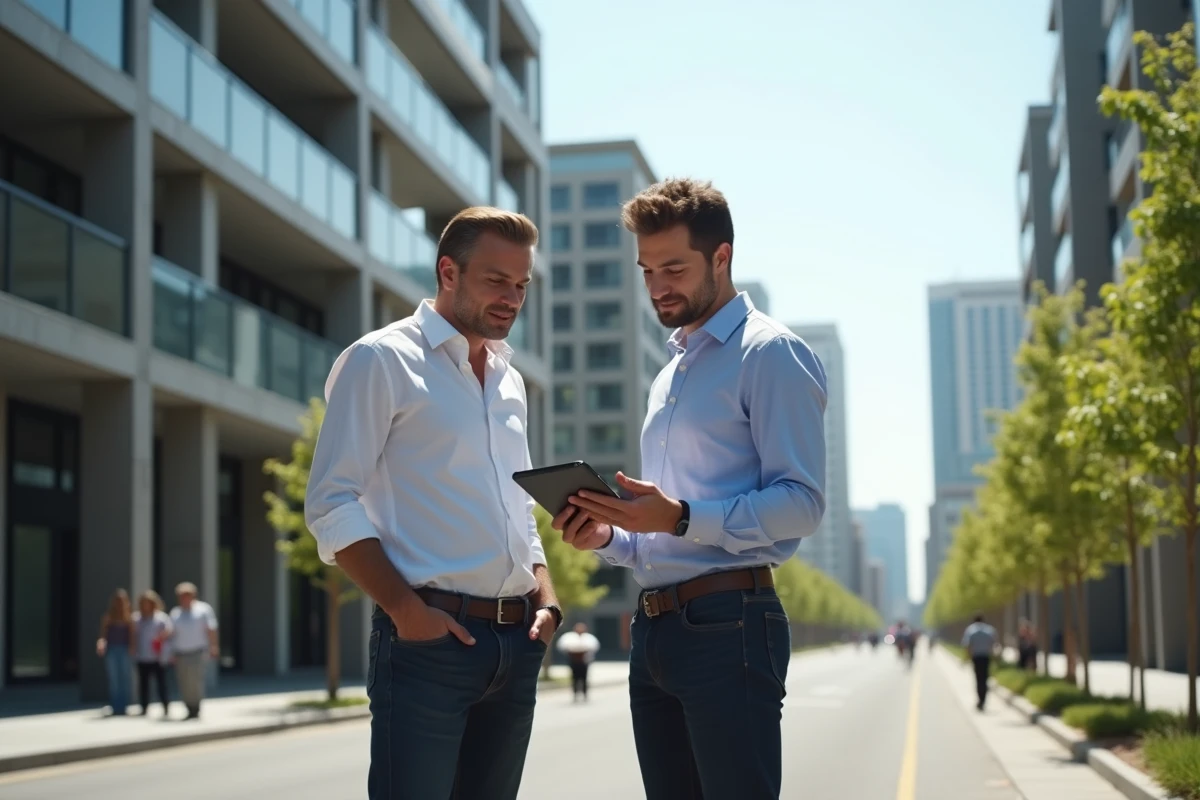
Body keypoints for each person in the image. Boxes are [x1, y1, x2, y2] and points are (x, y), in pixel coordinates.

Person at [552, 178, 827, 800]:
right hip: (653, 631)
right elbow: (660, 531)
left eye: (673, 268)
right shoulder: (671, 373)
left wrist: (677, 516)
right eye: (647, 270)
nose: (657, 286)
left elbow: (803, 504)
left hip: (729, 625)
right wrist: (609, 537)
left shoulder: (771, 354)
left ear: (721, 257)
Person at [305, 207, 562, 800]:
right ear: (449, 271)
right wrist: (405, 611)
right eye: (496, 280)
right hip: (428, 644)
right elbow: (331, 501)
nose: (512, 298)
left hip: (516, 642)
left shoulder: (508, 380)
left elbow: (517, 507)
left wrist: (546, 598)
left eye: (521, 285)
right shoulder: (380, 359)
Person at [168, 582, 219, 720]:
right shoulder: (176, 613)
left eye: (186, 595)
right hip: (180, 652)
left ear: (193, 595)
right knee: (183, 681)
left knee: (195, 681)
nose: (183, 598)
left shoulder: (203, 610)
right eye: (181, 596)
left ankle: (195, 708)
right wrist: (170, 651)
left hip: (197, 651)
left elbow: (211, 629)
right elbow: (171, 634)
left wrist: (213, 646)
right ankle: (188, 707)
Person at [133, 589, 173, 716]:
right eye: (143, 603)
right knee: (143, 684)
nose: (146, 605)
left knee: (161, 683)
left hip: (158, 657)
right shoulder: (137, 618)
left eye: (148, 602)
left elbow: (169, 631)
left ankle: (165, 706)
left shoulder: (161, 618)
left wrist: (160, 638)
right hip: (142, 656)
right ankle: (144, 707)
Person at [95, 589, 134, 716]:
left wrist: (132, 647)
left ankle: (124, 707)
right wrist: (101, 643)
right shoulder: (108, 617)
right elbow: (103, 635)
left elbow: (132, 635)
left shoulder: (129, 617)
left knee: (124, 678)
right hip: (112, 650)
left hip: (124, 650)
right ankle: (115, 706)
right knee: (114, 679)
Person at [556, 622, 601, 702]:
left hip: (584, 660)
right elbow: (562, 646)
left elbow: (594, 647)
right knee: (574, 678)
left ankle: (585, 694)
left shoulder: (589, 638)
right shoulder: (569, 637)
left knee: (584, 678)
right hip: (573, 660)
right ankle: (575, 694)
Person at [962, 614, 998, 710]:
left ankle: (980, 699)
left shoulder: (970, 630)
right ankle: (983, 699)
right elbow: (993, 644)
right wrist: (994, 657)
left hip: (976, 658)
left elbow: (967, 645)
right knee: (985, 678)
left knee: (978, 679)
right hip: (986, 657)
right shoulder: (989, 630)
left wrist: (967, 657)